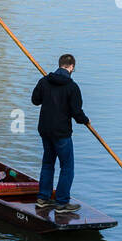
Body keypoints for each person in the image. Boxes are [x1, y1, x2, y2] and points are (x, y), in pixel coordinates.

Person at [30, 54, 90, 212]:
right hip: (61, 133)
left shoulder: (44, 81)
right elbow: (77, 113)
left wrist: (45, 90)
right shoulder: (72, 87)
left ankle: (43, 198)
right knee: (67, 167)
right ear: (71, 67)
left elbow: (35, 100)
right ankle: (62, 203)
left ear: (59, 64)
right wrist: (86, 120)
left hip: (45, 130)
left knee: (48, 163)